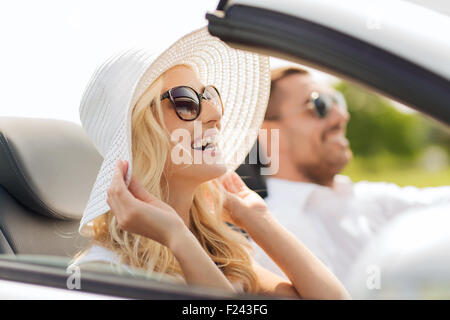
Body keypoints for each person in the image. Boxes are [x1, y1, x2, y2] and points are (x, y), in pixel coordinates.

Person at [68, 28, 349, 299]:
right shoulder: (103, 272)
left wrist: (258, 219)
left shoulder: (220, 251)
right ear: (140, 136)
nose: (215, 113)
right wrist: (175, 236)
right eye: (186, 101)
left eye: (209, 95)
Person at [253, 66, 450, 286]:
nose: (342, 116)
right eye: (320, 105)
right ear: (268, 133)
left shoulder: (371, 199)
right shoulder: (267, 235)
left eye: (337, 101)